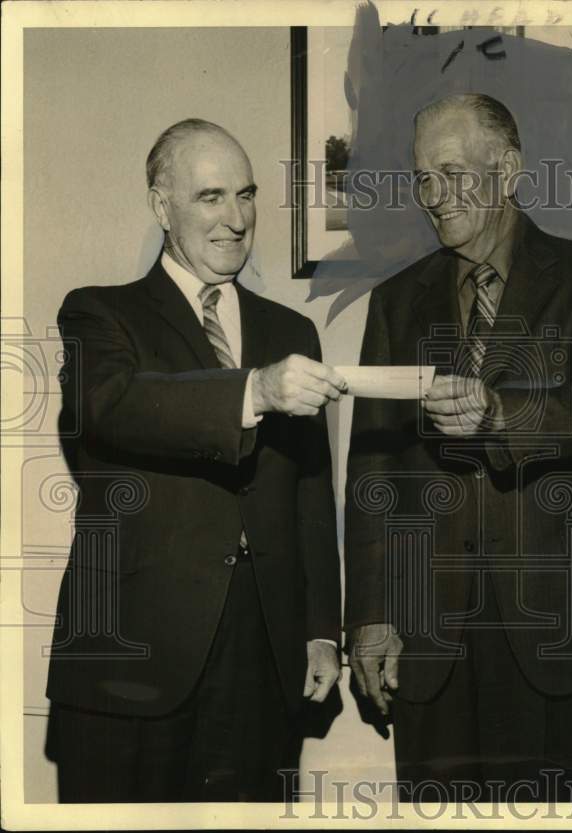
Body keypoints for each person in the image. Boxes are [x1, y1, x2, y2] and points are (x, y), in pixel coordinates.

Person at [345, 93, 572, 802]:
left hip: (560, 633)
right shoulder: (395, 301)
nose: (432, 197)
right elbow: (373, 471)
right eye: (422, 178)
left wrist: (499, 414)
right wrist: (370, 612)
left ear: (507, 169)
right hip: (429, 643)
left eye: (451, 173)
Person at [46, 118, 346, 802]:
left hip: (263, 658)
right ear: (162, 205)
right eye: (211, 197)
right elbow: (111, 404)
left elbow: (309, 493)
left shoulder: (290, 330)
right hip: (131, 657)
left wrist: (323, 632)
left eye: (245, 195)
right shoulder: (100, 315)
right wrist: (255, 389)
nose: (236, 219)